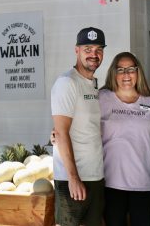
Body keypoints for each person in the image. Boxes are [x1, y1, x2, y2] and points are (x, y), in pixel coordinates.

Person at [51, 27, 106, 226]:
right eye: (88, 48)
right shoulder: (67, 82)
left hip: (95, 176)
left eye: (98, 49)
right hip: (72, 180)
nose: (94, 54)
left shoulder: (93, 84)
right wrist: (73, 177)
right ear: (77, 50)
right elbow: (61, 132)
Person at [99, 52, 150, 226]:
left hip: (144, 182)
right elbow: (83, 125)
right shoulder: (102, 98)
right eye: (121, 70)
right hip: (111, 182)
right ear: (113, 73)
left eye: (131, 69)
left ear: (138, 72)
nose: (126, 74)